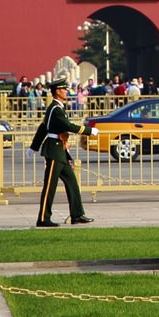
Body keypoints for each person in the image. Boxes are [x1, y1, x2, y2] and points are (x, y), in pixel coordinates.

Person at [29, 81, 96, 227]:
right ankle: (43, 218)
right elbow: (66, 126)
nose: (66, 91)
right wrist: (89, 131)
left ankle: (77, 214)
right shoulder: (55, 109)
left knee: (72, 182)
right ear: (57, 91)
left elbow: (43, 128)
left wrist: (34, 147)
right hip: (54, 150)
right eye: (63, 89)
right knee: (50, 186)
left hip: (60, 151)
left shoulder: (57, 108)